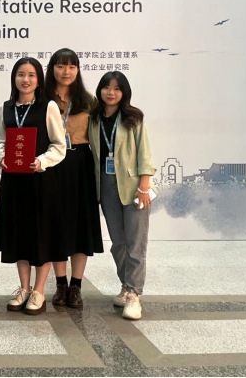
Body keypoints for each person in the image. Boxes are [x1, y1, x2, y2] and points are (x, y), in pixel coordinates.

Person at [0, 58, 67, 314]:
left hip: (41, 181)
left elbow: (59, 145)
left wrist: (41, 161)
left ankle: (39, 291)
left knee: (41, 235)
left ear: (39, 79)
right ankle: (23, 288)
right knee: (20, 234)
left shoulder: (48, 106)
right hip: (14, 182)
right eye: (21, 74)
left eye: (31, 75)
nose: (26, 80)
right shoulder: (5, 108)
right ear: (14, 78)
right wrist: (1, 157)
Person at [89, 71, 156, 321]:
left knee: (136, 243)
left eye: (117, 88)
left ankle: (135, 294)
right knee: (118, 243)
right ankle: (125, 286)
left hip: (134, 184)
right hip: (106, 185)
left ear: (124, 92)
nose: (111, 92)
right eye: (106, 87)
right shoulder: (94, 119)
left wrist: (144, 186)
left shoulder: (133, 118)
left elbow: (145, 154)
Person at [44, 49, 104, 309]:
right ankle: (60, 284)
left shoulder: (88, 100)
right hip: (52, 163)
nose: (66, 72)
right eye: (60, 66)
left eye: (71, 66)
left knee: (81, 225)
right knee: (56, 223)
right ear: (52, 69)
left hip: (81, 164)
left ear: (78, 70)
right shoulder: (42, 97)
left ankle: (76, 286)